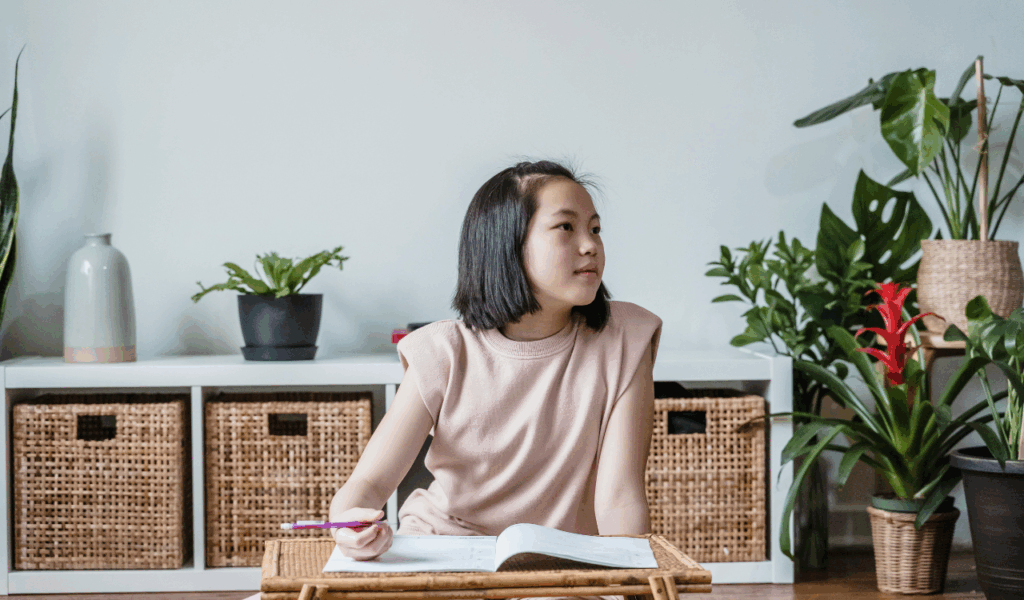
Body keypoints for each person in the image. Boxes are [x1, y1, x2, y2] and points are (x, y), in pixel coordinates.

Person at [328, 159, 662, 600]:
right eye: (566, 228)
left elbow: (620, 498)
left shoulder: (625, 339)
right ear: (506, 244)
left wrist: (633, 588)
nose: (590, 246)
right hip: (442, 553)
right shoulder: (443, 350)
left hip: (559, 568)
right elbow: (368, 484)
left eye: (595, 229)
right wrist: (350, 527)